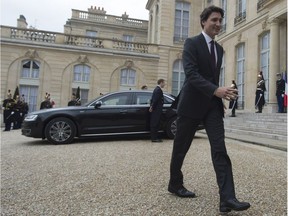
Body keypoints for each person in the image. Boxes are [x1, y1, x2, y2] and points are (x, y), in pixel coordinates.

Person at [168, 6, 250, 214]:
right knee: (181, 148)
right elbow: (192, 75)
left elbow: (212, 79)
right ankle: (175, 184)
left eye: (220, 20)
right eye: (214, 19)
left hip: (212, 107)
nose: (218, 24)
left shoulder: (220, 49)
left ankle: (227, 198)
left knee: (220, 149)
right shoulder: (191, 43)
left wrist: (221, 95)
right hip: (191, 105)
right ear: (203, 21)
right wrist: (216, 90)